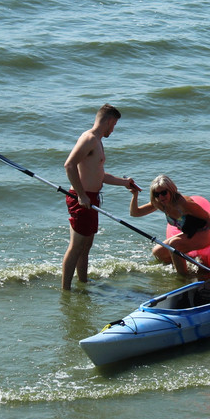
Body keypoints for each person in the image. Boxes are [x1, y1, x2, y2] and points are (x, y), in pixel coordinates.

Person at [62, 104, 140, 290]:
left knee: (86, 246)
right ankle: (65, 290)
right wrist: (81, 195)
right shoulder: (89, 139)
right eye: (113, 126)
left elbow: (99, 175)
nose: (113, 130)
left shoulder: (98, 141)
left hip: (92, 198)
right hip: (82, 198)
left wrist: (124, 182)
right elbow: (69, 165)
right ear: (108, 121)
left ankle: (83, 282)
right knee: (76, 246)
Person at [129, 174, 210, 276]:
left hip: (205, 233)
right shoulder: (160, 203)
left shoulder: (183, 203)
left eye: (163, 193)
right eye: (156, 194)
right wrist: (135, 195)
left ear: (171, 190)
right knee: (158, 252)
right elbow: (135, 213)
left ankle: (183, 278)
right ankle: (189, 269)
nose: (161, 197)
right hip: (190, 232)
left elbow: (207, 217)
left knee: (174, 245)